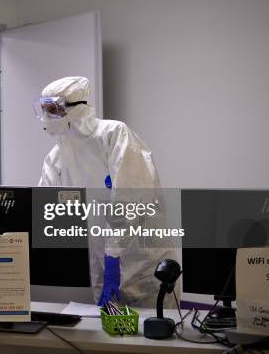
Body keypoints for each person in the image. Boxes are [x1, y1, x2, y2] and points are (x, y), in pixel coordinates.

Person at [36, 76, 174, 308]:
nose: (47, 118)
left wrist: (114, 253)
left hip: (141, 256)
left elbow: (131, 200)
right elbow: (43, 203)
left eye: (54, 110)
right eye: (44, 110)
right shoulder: (59, 153)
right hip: (100, 256)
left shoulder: (113, 135)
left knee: (152, 327)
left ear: (77, 109)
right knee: (108, 333)